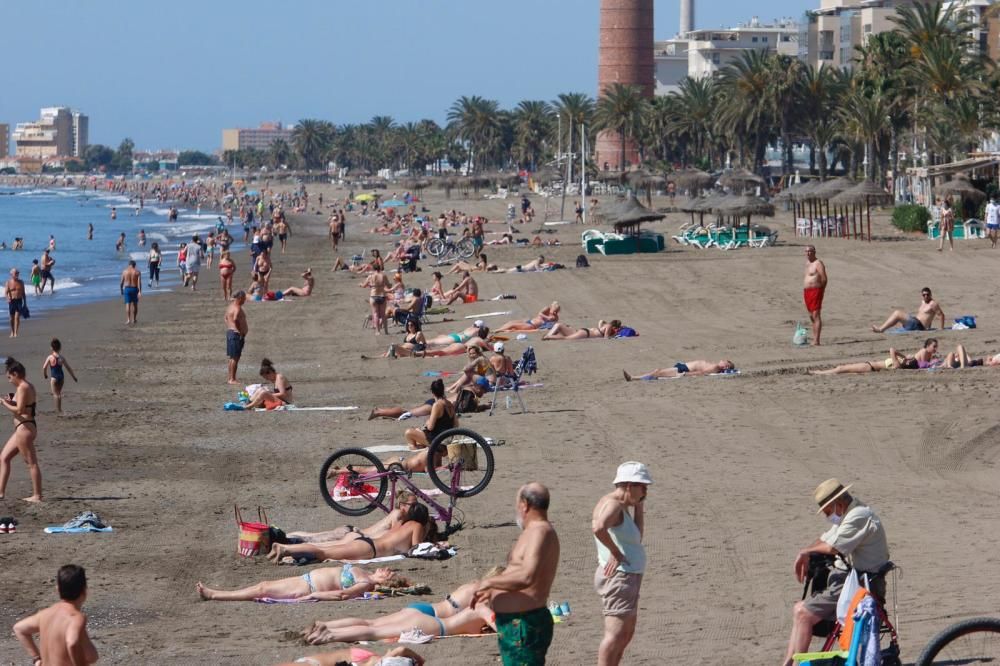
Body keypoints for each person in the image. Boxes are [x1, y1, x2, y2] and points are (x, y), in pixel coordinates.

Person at [782, 479, 889, 666]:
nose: (827, 516)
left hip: (862, 584)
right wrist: (809, 550)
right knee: (799, 609)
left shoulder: (858, 516)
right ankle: (788, 663)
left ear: (837, 504)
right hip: (850, 580)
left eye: (827, 512)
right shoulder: (848, 513)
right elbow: (824, 539)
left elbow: (832, 547)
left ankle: (796, 665)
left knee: (802, 613)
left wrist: (804, 552)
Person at [470, 483, 559, 665]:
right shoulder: (532, 532)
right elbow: (518, 572)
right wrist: (494, 589)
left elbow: (527, 576)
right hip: (515, 624)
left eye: (517, 503)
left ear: (525, 504)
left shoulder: (540, 531)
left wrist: (489, 583)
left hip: (524, 623)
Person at [593, 463, 651, 666]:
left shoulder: (622, 505)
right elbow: (598, 528)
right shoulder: (613, 504)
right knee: (615, 636)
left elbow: (636, 538)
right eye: (642, 486)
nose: (645, 491)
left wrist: (639, 507)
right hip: (619, 578)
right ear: (628, 484)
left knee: (625, 635)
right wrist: (615, 553)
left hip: (627, 577)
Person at [267, 502, 435, 563]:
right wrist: (434, 544)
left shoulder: (401, 523)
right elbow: (416, 549)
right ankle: (285, 549)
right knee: (324, 553)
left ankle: (287, 549)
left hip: (365, 542)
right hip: (369, 550)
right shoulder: (416, 526)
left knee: (324, 548)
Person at [13, 565, 98, 666]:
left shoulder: (44, 614)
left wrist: (37, 658)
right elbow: (72, 643)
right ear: (84, 590)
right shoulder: (75, 618)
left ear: (57, 589)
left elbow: (19, 628)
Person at [196, 565, 408, 602]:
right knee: (263, 584)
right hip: (305, 579)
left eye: (389, 573)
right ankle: (215, 593)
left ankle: (214, 594)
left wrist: (313, 596)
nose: (387, 569)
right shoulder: (365, 572)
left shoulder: (364, 583)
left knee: (262, 590)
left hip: (307, 587)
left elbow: (341, 595)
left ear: (385, 582)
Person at [287, 492, 419, 544]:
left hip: (354, 532)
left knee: (313, 536)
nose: (415, 507)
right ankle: (284, 538)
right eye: (412, 505)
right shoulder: (398, 514)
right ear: (402, 505)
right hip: (354, 534)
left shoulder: (401, 515)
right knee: (311, 540)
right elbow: (393, 535)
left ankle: (288, 535)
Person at [0, 358, 42, 502]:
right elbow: (22, 405)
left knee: (31, 463)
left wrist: (5, 403)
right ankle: (0, 493)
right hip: (22, 428)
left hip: (25, 428)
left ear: (16, 374)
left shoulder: (23, 387)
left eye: (9, 377)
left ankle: (37, 495)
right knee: (4, 457)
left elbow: (19, 409)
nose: (9, 380)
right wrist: (11, 400)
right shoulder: (23, 387)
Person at [403, 379, 457, 449]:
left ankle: (415, 447)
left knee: (408, 433)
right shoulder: (450, 404)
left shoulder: (437, 405)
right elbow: (456, 424)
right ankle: (422, 445)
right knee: (417, 430)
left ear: (433, 392)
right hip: (447, 438)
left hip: (438, 440)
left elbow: (430, 427)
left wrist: (428, 422)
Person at [871, 287, 945, 333]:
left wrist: (941, 328)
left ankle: (881, 329)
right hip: (915, 322)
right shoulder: (923, 302)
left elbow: (941, 315)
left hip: (919, 326)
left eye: (927, 294)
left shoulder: (933, 304)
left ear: (931, 294)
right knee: (897, 317)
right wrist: (929, 326)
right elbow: (927, 316)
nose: (926, 296)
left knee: (897, 313)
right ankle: (883, 328)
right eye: (924, 295)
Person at [277, 646, 424, 666]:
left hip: (351, 656)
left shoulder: (381, 661)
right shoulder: (381, 663)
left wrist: (420, 660)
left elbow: (402, 649)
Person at [809, 348, 914, 375]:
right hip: (869, 368)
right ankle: (824, 373)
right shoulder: (899, 364)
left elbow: (892, 349)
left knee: (841, 368)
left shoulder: (897, 365)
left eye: (909, 361)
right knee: (844, 371)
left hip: (869, 367)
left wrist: (904, 357)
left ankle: (819, 373)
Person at [42, 338, 78, 414]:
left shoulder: (50, 357)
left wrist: (45, 374)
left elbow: (44, 367)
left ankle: (57, 409)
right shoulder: (62, 358)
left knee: (55, 394)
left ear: (51, 347)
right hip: (61, 377)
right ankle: (60, 408)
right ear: (60, 348)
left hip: (54, 378)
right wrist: (74, 377)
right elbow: (68, 368)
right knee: (59, 393)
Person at [623, 359, 735, 381]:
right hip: (683, 367)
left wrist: (686, 374)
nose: (723, 360)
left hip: (683, 370)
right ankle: (635, 377)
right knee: (658, 371)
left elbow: (702, 372)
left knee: (658, 372)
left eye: (726, 361)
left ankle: (633, 378)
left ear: (725, 366)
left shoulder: (716, 367)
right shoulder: (716, 366)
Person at [803, 245, 827, 346]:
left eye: (810, 251)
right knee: (811, 316)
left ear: (814, 252)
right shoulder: (807, 263)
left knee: (816, 315)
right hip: (807, 292)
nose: (808, 253)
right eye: (806, 251)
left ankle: (816, 340)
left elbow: (824, 278)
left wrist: (822, 290)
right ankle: (814, 338)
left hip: (816, 291)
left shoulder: (818, 263)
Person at [225, 291, 248, 385]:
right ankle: (232, 379)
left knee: (232, 358)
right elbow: (235, 319)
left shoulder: (230, 307)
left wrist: (230, 327)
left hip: (230, 332)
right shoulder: (237, 308)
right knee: (235, 358)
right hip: (235, 334)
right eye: (244, 298)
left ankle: (230, 378)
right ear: (239, 298)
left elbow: (226, 318)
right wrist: (239, 331)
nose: (245, 300)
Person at [496, 302, 560, 332]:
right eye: (554, 311)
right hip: (530, 321)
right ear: (551, 307)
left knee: (513, 325)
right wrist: (547, 318)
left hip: (532, 325)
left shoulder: (555, 317)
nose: (555, 313)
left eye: (556, 312)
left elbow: (549, 326)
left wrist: (552, 319)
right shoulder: (547, 309)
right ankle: (500, 329)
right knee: (510, 322)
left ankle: (498, 330)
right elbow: (539, 313)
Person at [542, 319, 621, 340]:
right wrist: (614, 335)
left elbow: (600, 321)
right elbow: (606, 337)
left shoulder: (605, 325)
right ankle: (548, 337)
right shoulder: (609, 326)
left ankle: (549, 334)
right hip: (586, 334)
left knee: (559, 325)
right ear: (615, 326)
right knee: (566, 338)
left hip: (583, 331)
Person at [5, 267, 26, 337]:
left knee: (17, 317)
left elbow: (23, 293)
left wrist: (25, 303)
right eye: (16, 273)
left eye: (18, 273)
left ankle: (16, 332)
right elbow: (6, 293)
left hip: (19, 300)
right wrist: (7, 298)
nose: (17, 274)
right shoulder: (8, 282)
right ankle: (12, 331)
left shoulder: (21, 282)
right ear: (12, 274)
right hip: (12, 301)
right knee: (11, 318)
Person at [120, 260, 142, 326]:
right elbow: (139, 283)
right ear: (134, 265)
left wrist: (121, 289)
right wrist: (140, 291)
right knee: (135, 305)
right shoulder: (137, 272)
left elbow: (121, 282)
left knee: (127, 304)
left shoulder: (124, 271)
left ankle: (128, 319)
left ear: (129, 265)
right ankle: (134, 319)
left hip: (127, 289)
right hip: (134, 288)